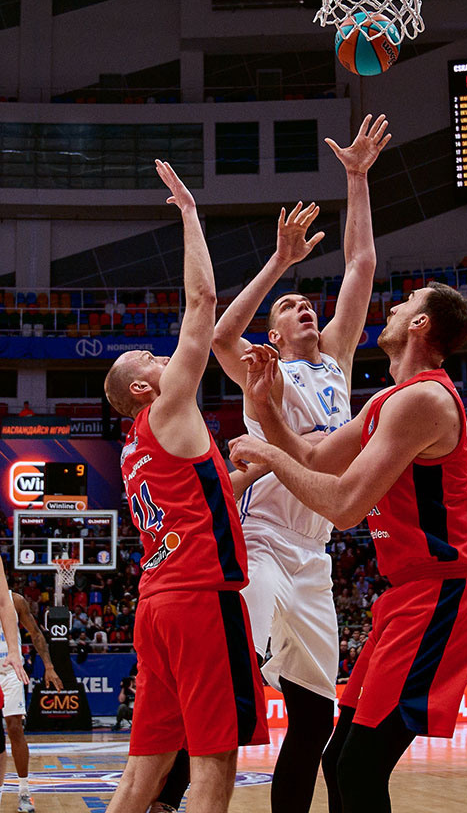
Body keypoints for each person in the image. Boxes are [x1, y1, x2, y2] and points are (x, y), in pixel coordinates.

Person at [231, 282, 467, 813]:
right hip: (406, 597)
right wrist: (266, 410)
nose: (394, 308)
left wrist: (266, 454)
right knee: (338, 761)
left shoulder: (425, 398)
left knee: (358, 766)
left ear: (419, 326)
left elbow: (344, 504)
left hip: (444, 595)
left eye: (406, 305)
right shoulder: (384, 400)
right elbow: (315, 455)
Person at [212, 114, 390, 813]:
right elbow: (224, 333)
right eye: (290, 308)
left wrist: (356, 178)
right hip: (261, 545)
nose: (303, 309)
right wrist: (279, 265)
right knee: (233, 684)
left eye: (304, 303)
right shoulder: (267, 372)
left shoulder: (338, 365)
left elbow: (362, 266)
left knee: (316, 718)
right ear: (276, 334)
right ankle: (167, 794)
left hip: (315, 558)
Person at [103, 161, 268, 813]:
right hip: (201, 599)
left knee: (142, 778)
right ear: (142, 388)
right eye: (147, 359)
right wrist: (190, 213)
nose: (160, 353)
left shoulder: (137, 449)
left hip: (157, 608)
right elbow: (201, 304)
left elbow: (192, 500)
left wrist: (251, 473)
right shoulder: (167, 405)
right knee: (213, 768)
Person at [0, 591, 61, 812]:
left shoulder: (14, 600)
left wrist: (49, 666)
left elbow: (35, 633)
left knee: (15, 728)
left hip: (11, 671)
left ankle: (24, 791)